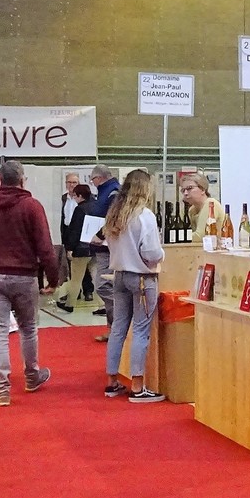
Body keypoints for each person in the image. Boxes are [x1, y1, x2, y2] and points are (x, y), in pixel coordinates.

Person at [0, 161, 59, 407]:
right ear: (21, 180)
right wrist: (53, 278)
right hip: (25, 276)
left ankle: (2, 390)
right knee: (28, 328)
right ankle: (32, 376)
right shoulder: (32, 206)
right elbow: (46, 248)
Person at [102, 169, 166, 403]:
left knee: (118, 328)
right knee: (140, 330)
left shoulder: (114, 213)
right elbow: (151, 252)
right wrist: (161, 255)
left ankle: (112, 381)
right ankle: (138, 387)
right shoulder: (144, 215)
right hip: (141, 278)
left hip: (119, 275)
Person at [86, 164, 121, 340]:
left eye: (92, 179)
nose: (92, 183)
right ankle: (114, 328)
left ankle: (119, 325)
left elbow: (113, 218)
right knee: (107, 286)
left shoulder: (113, 192)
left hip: (108, 247)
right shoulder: (106, 192)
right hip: (104, 246)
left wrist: (100, 234)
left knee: (103, 286)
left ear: (99, 178)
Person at [56, 184, 94, 313]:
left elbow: (75, 230)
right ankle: (103, 305)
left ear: (80, 196)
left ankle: (69, 304)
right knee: (98, 279)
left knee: (76, 279)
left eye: (75, 196)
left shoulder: (80, 209)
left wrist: (70, 248)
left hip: (80, 249)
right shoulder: (96, 206)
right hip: (95, 247)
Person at [180, 172, 221, 243]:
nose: (185, 193)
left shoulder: (210, 204)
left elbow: (200, 236)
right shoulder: (192, 210)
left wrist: (176, 236)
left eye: (189, 188)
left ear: (202, 190)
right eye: (183, 190)